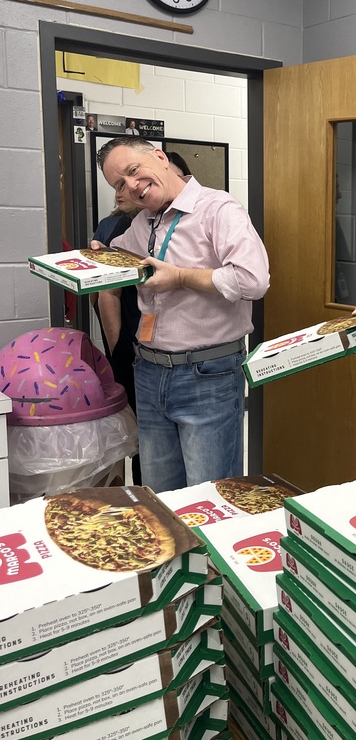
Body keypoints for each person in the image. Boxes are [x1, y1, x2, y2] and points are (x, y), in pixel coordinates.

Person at [94, 136, 269, 493]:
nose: (131, 186)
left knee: (210, 499)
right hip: (149, 373)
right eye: (119, 184)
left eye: (133, 171)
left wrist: (182, 278)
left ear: (159, 157)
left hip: (207, 376)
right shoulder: (143, 223)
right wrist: (95, 257)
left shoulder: (218, 209)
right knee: (162, 499)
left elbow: (253, 280)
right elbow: (118, 260)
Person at [93, 190, 142, 482]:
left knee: (139, 428)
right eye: (118, 183)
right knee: (143, 430)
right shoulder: (120, 226)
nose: (120, 190)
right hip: (132, 341)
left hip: (131, 340)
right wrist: (119, 349)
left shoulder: (109, 224)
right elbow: (105, 293)